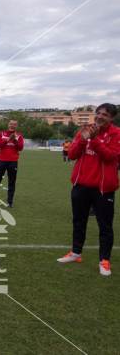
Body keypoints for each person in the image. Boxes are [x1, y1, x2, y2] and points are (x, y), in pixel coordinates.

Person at [57, 103, 120, 276]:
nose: (99, 116)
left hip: (103, 189)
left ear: (111, 118)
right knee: (78, 221)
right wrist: (84, 139)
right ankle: (76, 253)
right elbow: (72, 155)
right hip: (81, 185)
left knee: (105, 226)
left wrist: (95, 139)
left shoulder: (117, 134)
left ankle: (104, 261)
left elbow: (110, 157)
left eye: (105, 115)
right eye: (98, 113)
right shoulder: (84, 130)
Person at [0, 120, 24, 208]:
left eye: (14, 124)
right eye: (11, 124)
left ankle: (10, 202)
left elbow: (20, 148)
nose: (12, 125)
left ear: (16, 126)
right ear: (8, 125)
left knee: (11, 182)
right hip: (1, 161)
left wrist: (15, 140)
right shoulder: (2, 133)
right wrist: (8, 139)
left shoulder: (19, 135)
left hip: (13, 162)